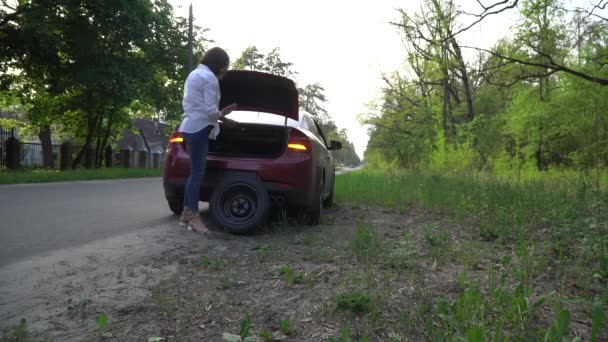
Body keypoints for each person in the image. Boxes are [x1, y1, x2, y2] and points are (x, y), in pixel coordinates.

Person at [178, 47, 237, 234]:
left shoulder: (194, 74)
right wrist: (224, 113)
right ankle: (195, 217)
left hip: (189, 127)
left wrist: (223, 120)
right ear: (220, 65)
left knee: (193, 173)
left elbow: (199, 108)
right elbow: (211, 112)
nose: (225, 72)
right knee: (197, 174)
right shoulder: (210, 79)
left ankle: (186, 213)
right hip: (199, 129)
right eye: (225, 67)